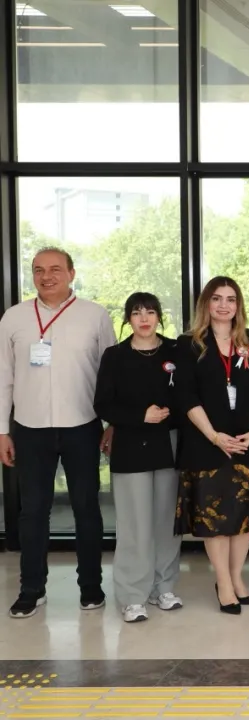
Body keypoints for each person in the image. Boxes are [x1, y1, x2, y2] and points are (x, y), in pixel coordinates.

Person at [2, 247, 117, 618]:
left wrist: (112, 423)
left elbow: (112, 375)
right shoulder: (14, 317)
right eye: (38, 270)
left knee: (86, 509)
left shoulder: (95, 315)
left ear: (71, 273)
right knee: (33, 511)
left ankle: (91, 587)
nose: (46, 276)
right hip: (30, 429)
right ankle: (31, 589)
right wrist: (2, 430)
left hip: (82, 426)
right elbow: (3, 377)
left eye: (54, 269)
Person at [174, 277, 249, 615]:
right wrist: (214, 436)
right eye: (217, 298)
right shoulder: (188, 344)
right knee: (215, 519)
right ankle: (224, 583)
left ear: (238, 305)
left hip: (246, 443)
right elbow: (185, 396)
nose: (224, 305)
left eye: (231, 299)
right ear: (206, 303)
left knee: (244, 517)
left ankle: (237, 577)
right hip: (206, 444)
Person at [93, 292, 182, 623]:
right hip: (130, 445)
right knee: (134, 525)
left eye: (150, 312)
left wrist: (167, 415)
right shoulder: (115, 356)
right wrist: (140, 416)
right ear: (128, 319)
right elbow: (103, 403)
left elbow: (189, 395)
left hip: (169, 443)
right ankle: (133, 596)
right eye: (136, 312)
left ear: (159, 316)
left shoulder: (175, 350)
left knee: (166, 522)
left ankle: (164, 587)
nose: (144, 318)